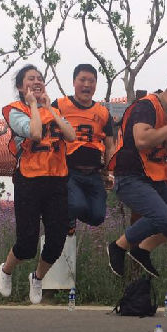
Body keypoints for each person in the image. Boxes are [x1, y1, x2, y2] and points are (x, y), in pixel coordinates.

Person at [106, 66, 167, 278]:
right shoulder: (146, 107)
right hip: (130, 176)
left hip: (155, 179)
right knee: (162, 217)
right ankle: (118, 247)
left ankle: (143, 249)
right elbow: (142, 140)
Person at [0, 64, 76, 304]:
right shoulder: (16, 110)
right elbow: (34, 133)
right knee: (27, 244)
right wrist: (33, 105)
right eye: (31, 78)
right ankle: (6, 269)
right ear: (21, 87)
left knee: (57, 240)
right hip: (29, 180)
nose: (37, 81)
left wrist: (49, 108)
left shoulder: (54, 109)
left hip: (57, 180)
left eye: (40, 78)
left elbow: (71, 136)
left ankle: (38, 277)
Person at [53, 64, 115, 233]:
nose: (87, 85)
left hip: (93, 172)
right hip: (68, 170)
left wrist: (109, 171)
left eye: (91, 81)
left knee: (97, 217)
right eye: (82, 80)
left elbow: (110, 146)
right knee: (77, 205)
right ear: (74, 82)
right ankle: (66, 216)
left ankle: (68, 213)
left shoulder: (103, 112)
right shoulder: (60, 105)